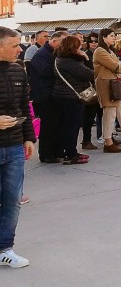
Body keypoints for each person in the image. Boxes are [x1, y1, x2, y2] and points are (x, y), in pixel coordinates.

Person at [0, 27, 35, 268]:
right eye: (14, 45)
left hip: (13, 147)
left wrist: (28, 137)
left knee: (12, 200)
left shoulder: (18, 70)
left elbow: (24, 106)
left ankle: (5, 249)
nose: (20, 49)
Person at [51, 35, 93, 166]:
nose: (81, 48)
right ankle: (71, 154)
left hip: (64, 95)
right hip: (71, 97)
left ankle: (70, 152)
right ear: (73, 47)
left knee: (68, 126)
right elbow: (89, 74)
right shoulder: (69, 62)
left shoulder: (61, 58)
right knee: (72, 127)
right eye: (79, 45)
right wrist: (86, 59)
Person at [27, 31, 66, 162]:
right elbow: (46, 72)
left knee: (57, 124)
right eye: (62, 42)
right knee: (48, 126)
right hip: (44, 96)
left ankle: (57, 151)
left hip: (53, 94)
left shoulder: (54, 53)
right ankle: (46, 154)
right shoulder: (41, 54)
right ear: (54, 41)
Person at [80, 34, 102, 150]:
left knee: (102, 113)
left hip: (100, 86)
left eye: (96, 41)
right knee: (89, 115)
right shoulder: (84, 55)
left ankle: (105, 136)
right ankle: (86, 140)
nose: (94, 43)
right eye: (91, 41)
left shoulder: (100, 53)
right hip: (88, 88)